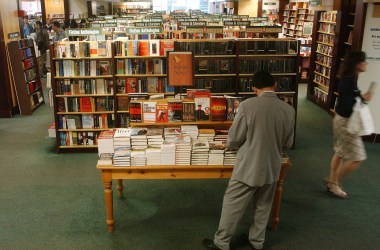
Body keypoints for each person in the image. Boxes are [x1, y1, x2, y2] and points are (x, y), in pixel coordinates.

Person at [202, 70, 295, 250]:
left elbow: (235, 139)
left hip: (248, 165)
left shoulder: (247, 106)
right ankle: (256, 242)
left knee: (232, 202)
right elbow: (288, 143)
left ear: (254, 88)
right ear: (274, 86)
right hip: (272, 166)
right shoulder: (289, 110)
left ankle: (221, 242)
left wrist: (230, 145)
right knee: (264, 205)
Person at [326, 51, 373, 199]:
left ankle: (332, 183)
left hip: (341, 120)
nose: (366, 64)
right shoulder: (348, 81)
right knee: (358, 157)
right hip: (345, 122)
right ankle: (333, 182)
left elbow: (350, 99)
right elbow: (348, 105)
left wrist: (362, 98)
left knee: (340, 152)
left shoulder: (350, 79)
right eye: (364, 61)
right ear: (357, 64)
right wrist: (363, 99)